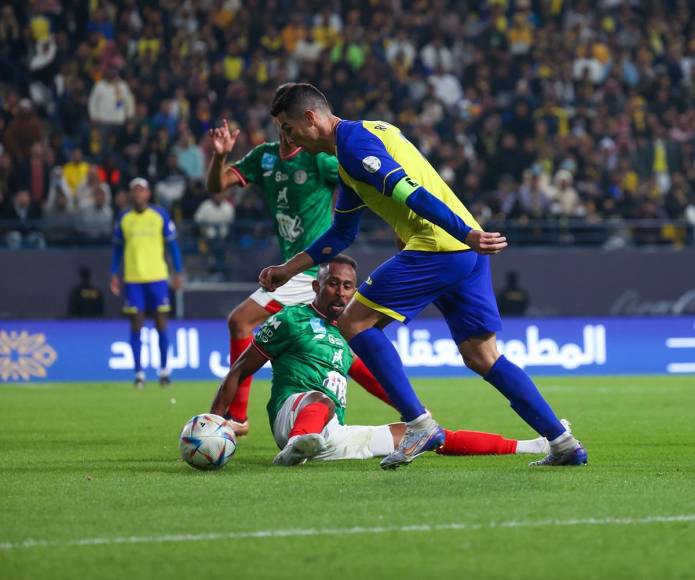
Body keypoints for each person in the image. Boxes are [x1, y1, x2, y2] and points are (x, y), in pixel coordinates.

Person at [259, 83, 587, 469]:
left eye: (287, 127)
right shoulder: (365, 141)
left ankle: (419, 423)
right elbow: (342, 235)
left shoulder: (354, 147)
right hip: (465, 250)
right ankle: (562, 441)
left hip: (441, 243)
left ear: (310, 118)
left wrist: (464, 234)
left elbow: (409, 192)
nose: (286, 137)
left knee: (354, 321)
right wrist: (288, 269)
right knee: (483, 356)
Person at [211, 255, 554, 466]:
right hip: (292, 419)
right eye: (333, 284)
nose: (341, 292)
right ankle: (300, 443)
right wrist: (215, 419)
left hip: (333, 435)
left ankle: (529, 444)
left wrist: (418, 415)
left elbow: (373, 378)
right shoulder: (290, 320)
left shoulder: (349, 334)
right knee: (320, 398)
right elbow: (240, 370)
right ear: (317, 285)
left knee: (428, 437)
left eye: (348, 286)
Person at [206, 119, 338, 435]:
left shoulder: (318, 158)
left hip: (312, 270)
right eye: (283, 123)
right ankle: (414, 413)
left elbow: (358, 180)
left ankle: (237, 418)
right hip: (294, 269)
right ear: (279, 124)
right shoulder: (263, 157)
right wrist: (220, 156)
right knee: (350, 347)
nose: (288, 130)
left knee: (240, 321)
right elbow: (216, 187)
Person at [110, 178, 183, 388]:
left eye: (141, 190)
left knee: (161, 324)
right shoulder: (124, 218)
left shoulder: (159, 215)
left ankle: (164, 371)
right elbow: (117, 249)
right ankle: (139, 373)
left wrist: (177, 272)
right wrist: (114, 273)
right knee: (136, 326)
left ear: (148, 194)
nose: (137, 194)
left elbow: (173, 246)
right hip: (133, 279)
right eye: (134, 190)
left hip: (157, 278)